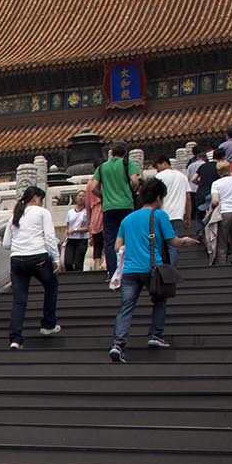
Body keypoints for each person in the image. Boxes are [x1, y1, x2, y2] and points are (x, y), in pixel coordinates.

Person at [108, 179, 199, 362]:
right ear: (158, 197)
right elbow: (172, 241)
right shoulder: (160, 216)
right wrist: (185, 241)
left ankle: (118, 344)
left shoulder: (128, 219)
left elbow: (117, 246)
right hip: (152, 268)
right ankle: (155, 336)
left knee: (126, 307)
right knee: (159, 299)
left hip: (130, 271)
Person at [2, 185, 61, 348]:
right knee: (51, 285)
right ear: (35, 197)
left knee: (19, 300)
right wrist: (56, 258)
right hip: (38, 256)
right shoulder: (42, 212)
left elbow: (6, 244)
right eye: (40, 199)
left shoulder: (15, 215)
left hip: (17, 260)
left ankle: (15, 339)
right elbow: (49, 237)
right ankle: (48, 324)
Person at [89, 142, 138, 272]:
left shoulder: (102, 167)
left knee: (110, 241)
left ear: (112, 153)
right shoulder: (128, 164)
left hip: (109, 207)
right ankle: (128, 268)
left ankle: (113, 271)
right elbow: (135, 181)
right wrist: (131, 191)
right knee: (128, 237)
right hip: (126, 205)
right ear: (124, 153)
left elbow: (93, 187)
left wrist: (103, 196)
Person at [206, 160, 232, 266]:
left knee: (222, 243)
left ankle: (222, 265)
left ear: (219, 172)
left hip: (223, 213)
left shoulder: (216, 183)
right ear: (230, 169)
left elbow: (215, 201)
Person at [154, 157, 190, 234]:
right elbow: (188, 198)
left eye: (157, 167)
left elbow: (154, 196)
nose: (157, 170)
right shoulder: (182, 177)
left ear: (164, 163)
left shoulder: (158, 177)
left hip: (162, 213)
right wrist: (188, 218)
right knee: (174, 240)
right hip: (178, 214)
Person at [63, 190, 91, 272]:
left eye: (83, 196)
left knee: (78, 263)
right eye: (79, 196)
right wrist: (66, 235)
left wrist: (75, 230)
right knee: (67, 262)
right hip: (71, 240)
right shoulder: (70, 212)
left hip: (81, 240)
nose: (81, 198)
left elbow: (88, 227)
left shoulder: (87, 212)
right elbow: (67, 226)